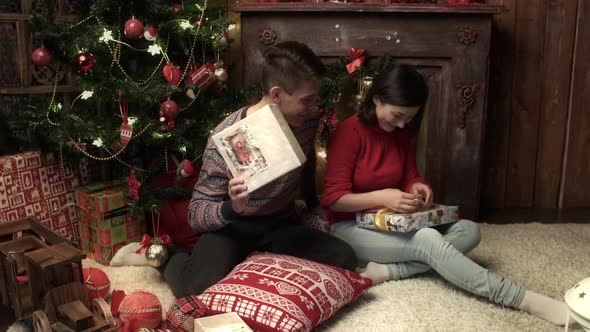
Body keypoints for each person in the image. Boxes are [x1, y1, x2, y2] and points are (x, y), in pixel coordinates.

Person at [321, 64, 571, 326]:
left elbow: (410, 177)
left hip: (394, 222)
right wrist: (384, 197)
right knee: (428, 239)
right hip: (348, 227)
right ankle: (523, 299)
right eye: (398, 115)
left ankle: (387, 271)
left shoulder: (401, 132)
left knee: (469, 229)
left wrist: (418, 186)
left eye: (410, 117)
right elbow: (334, 198)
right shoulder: (348, 133)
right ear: (377, 99)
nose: (403, 123)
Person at [161, 41, 357, 298]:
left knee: (345, 258)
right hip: (232, 227)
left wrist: (311, 206)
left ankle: (256, 263)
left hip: (279, 223)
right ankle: (167, 257)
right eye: (306, 100)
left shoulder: (307, 120)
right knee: (193, 289)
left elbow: (306, 163)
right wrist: (232, 206)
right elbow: (196, 214)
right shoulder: (224, 137)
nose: (313, 108)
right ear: (276, 95)